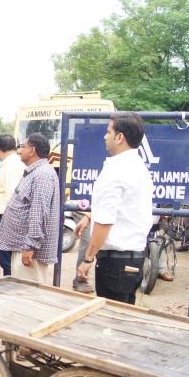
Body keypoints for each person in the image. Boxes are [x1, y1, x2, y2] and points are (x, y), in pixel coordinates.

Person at [75, 113, 154, 304]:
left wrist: (87, 259)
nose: (104, 136)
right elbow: (122, 206)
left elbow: (105, 221)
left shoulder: (115, 170)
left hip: (115, 264)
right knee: (123, 320)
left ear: (120, 137)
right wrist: (90, 216)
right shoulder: (138, 166)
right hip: (134, 258)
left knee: (110, 324)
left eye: (108, 132)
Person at [0, 133, 60, 283]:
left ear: (32, 150)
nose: (19, 150)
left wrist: (30, 247)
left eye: (22, 147)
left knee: (29, 295)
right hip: (22, 247)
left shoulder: (42, 174)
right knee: (20, 291)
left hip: (30, 252)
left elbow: (39, 213)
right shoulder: (35, 172)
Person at [0, 134, 25, 275]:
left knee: (7, 261)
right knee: (6, 259)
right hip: (3, 216)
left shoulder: (12, 166)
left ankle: (12, 288)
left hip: (6, 217)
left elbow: (13, 197)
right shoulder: (11, 164)